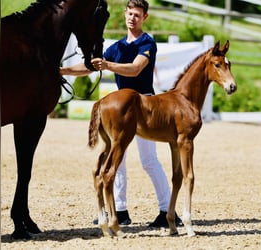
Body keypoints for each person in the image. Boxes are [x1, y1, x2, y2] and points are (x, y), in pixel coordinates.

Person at [60, 0, 181, 228]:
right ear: (125, 14)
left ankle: (167, 210)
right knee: (119, 159)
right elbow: (90, 66)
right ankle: (121, 210)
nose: (132, 18)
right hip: (123, 109)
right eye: (130, 13)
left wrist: (108, 65)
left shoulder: (147, 42)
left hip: (145, 105)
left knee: (149, 160)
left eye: (137, 14)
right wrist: (63, 70)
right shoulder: (117, 47)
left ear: (144, 17)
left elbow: (136, 68)